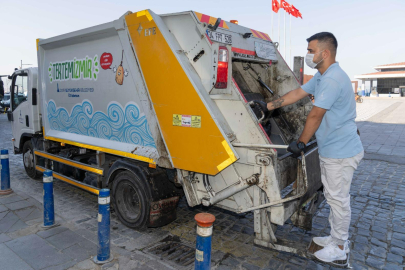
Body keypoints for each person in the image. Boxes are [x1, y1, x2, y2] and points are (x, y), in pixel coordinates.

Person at [252, 32, 363, 264]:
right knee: (334, 197)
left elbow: (315, 115)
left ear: (325, 53)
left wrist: (301, 143)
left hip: (341, 151)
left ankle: (340, 246)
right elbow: (297, 93)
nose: (308, 55)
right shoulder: (323, 75)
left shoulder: (332, 79)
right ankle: (335, 238)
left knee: (338, 199)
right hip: (334, 148)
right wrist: (268, 106)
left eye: (311, 51)